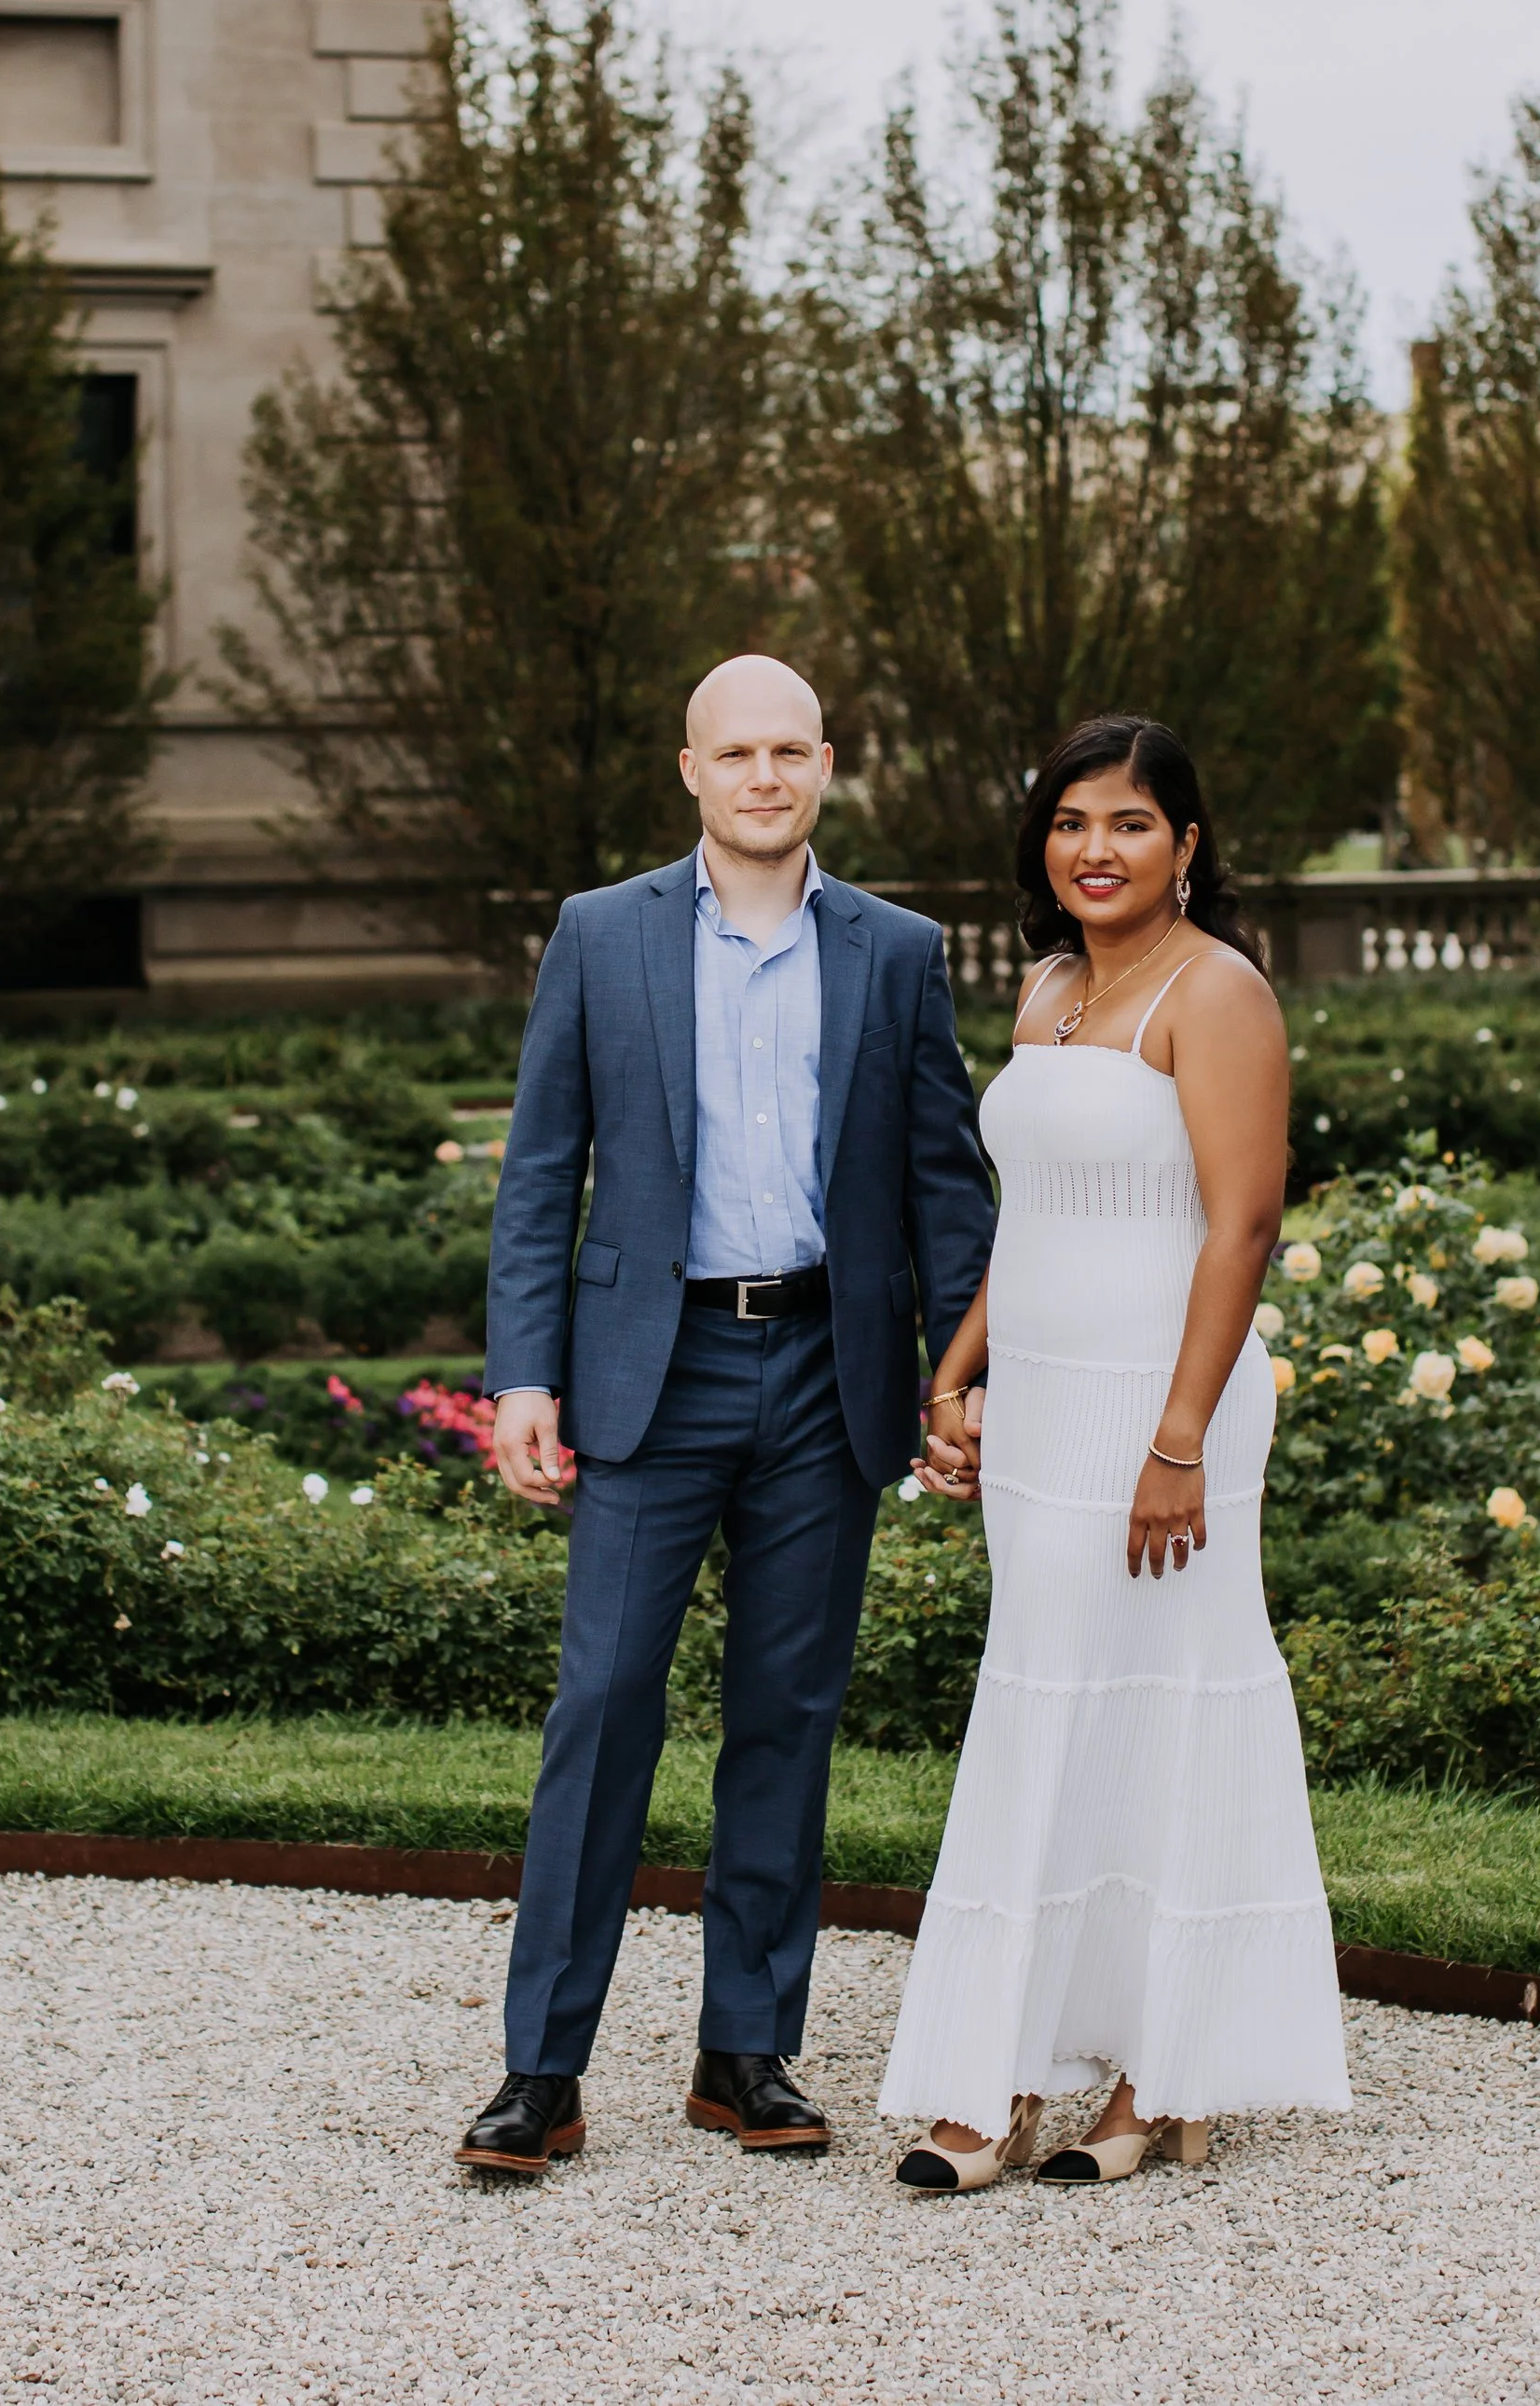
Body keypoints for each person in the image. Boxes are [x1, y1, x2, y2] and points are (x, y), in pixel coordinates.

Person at [458, 653, 997, 2178]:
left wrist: (962, 1380)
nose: (764, 775)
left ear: (826, 764)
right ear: (690, 769)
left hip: (829, 1373)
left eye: (789, 751)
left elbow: (947, 1186)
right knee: (604, 1704)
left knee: (787, 1717)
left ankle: (744, 2051)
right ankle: (540, 2073)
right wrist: (524, 1374)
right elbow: (539, 1169)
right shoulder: (600, 935)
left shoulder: (895, 950)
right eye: (734, 752)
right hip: (654, 1369)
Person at [879, 712, 1352, 2188]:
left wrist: (1178, 1438)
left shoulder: (1218, 995)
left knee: (1169, 1707)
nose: (1097, 848)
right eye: (1072, 821)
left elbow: (1244, 1225)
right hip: (1043, 1407)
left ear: (1189, 845)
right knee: (1041, 1706)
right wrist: (960, 1370)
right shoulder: (1046, 991)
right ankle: (1008, 2070)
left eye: (1131, 822)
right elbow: (1038, 1219)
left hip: (1170, 1410)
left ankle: (1163, 2068)